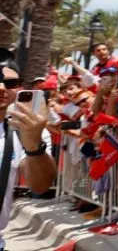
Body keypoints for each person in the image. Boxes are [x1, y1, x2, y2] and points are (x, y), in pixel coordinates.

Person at [0, 59, 57, 250]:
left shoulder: (27, 131)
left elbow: (40, 186)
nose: (1, 88)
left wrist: (33, 144)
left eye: (9, 83)